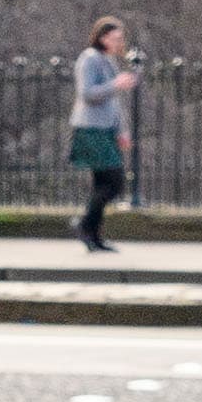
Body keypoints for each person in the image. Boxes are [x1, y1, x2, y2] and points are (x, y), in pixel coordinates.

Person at [68, 17, 141, 252]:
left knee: (102, 182)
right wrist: (116, 84)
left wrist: (122, 131)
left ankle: (92, 235)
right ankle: (84, 225)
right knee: (114, 181)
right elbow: (87, 93)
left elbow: (113, 104)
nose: (121, 43)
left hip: (105, 129)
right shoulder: (89, 59)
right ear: (102, 38)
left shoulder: (108, 61)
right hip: (91, 128)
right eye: (116, 38)